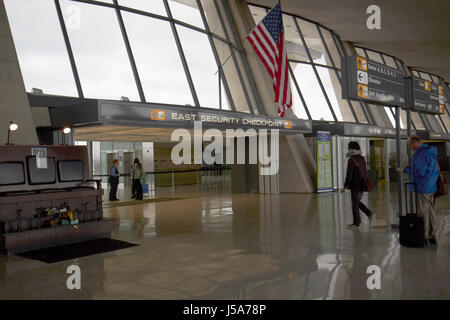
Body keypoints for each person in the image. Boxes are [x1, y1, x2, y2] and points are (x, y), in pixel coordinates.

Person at [402, 135, 439, 245]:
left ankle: (424, 236)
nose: (410, 147)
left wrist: (405, 170)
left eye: (410, 145)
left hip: (423, 186)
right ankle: (432, 235)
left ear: (416, 143)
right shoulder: (430, 152)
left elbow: (419, 172)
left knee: (423, 211)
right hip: (431, 185)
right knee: (430, 210)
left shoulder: (421, 154)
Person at [341, 141, 373, 227]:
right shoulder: (362, 158)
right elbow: (364, 171)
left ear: (351, 149)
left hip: (355, 185)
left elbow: (349, 174)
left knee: (355, 204)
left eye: (348, 148)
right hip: (363, 183)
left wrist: (345, 186)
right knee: (357, 202)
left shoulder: (351, 160)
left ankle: (359, 220)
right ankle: (365, 216)